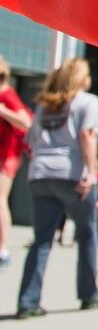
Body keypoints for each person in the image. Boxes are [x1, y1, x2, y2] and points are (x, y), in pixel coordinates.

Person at [16, 58, 98, 318]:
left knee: (42, 239)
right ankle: (89, 293)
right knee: (87, 234)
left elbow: (30, 139)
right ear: (82, 78)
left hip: (41, 174)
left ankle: (28, 300)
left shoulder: (44, 105)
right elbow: (87, 136)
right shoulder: (87, 102)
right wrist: (91, 172)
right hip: (72, 174)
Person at [0, 55, 32, 267]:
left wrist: (2, 110)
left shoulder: (7, 94)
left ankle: (2, 248)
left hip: (6, 156)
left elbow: (26, 122)